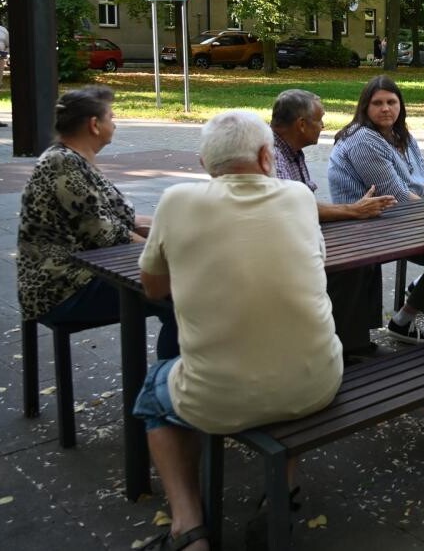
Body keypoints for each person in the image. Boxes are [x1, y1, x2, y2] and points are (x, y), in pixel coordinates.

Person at [133, 111, 342, 551]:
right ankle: (279, 495)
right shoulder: (300, 198)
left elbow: (153, 289)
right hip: (316, 382)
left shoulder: (175, 202)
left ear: (206, 164)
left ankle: (188, 527)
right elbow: (313, 263)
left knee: (154, 389)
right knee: (289, 342)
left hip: (217, 399)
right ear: (268, 157)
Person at [17, 86, 177, 357]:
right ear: (94, 125)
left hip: (84, 275)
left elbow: (124, 218)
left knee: (177, 285)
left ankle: (171, 381)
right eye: (111, 117)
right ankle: (164, 389)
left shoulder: (74, 159)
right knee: (183, 297)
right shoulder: (62, 164)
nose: (114, 123)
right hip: (60, 288)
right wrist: (170, 254)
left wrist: (179, 228)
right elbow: (108, 233)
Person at [271, 89, 397, 357]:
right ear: (301, 124)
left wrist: (355, 211)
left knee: (366, 251)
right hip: (281, 246)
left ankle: (356, 337)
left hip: (296, 232)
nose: (323, 126)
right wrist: (353, 210)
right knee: (353, 262)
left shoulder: (291, 149)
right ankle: (346, 347)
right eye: (319, 120)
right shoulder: (274, 153)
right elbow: (294, 206)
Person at [330, 76, 424, 342]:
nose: (386, 108)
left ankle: (409, 310)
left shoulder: (401, 134)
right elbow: (397, 196)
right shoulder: (363, 140)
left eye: (392, 102)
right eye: (378, 103)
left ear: (400, 105)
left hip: (398, 218)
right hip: (366, 224)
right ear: (365, 107)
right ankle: (408, 316)